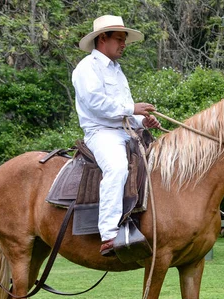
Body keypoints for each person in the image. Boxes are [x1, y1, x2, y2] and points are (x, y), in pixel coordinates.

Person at [72, 15, 161, 256]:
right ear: (103, 38)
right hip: (101, 133)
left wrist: (145, 120)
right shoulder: (86, 68)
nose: (123, 44)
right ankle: (109, 234)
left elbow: (126, 111)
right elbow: (96, 104)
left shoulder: (117, 71)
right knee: (117, 168)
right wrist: (133, 109)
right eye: (120, 39)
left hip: (126, 131)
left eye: (124, 40)